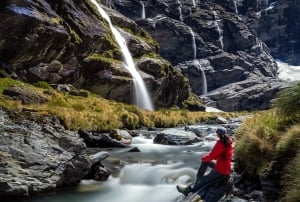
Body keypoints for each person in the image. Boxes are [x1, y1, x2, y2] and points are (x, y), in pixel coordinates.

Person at [176, 127, 233, 197]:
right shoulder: (228, 142)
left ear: (218, 134)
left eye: (216, 133)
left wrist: (204, 158)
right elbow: (218, 156)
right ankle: (198, 179)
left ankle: (188, 189)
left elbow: (212, 156)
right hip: (225, 168)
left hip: (220, 171)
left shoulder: (220, 144)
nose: (216, 134)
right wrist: (206, 158)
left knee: (204, 179)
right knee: (205, 162)